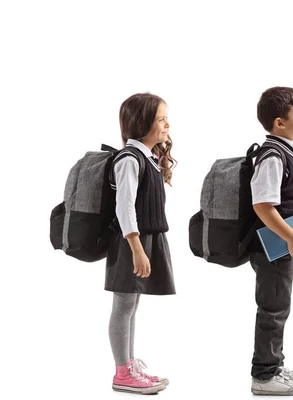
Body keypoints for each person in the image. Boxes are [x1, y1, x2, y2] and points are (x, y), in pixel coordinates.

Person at [105, 93, 176, 394]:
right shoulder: (129, 160)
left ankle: (129, 366)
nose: (167, 124)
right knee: (123, 305)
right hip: (130, 241)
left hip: (143, 239)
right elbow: (125, 208)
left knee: (131, 305)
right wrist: (136, 248)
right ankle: (122, 373)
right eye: (161, 119)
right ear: (143, 122)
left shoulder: (148, 158)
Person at [248, 86, 293, 396]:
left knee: (279, 307)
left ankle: (273, 364)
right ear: (280, 122)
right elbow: (263, 206)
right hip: (270, 246)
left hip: (281, 247)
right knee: (272, 309)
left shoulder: (285, 151)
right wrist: (291, 239)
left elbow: (286, 207)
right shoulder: (273, 156)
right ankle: (263, 376)